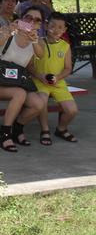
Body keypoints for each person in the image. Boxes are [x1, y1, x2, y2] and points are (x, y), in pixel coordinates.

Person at [0, 6, 47, 152]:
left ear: (40, 25)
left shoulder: (37, 41)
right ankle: (5, 134)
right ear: (21, 19)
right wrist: (7, 31)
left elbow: (40, 56)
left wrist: (34, 41)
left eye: (37, 20)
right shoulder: (8, 32)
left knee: (38, 103)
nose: (32, 22)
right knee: (19, 94)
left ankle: (17, 128)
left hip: (15, 81)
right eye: (28, 18)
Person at [30, 12, 79, 145]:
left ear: (64, 30)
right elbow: (29, 66)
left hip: (58, 82)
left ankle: (61, 129)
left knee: (72, 110)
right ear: (46, 26)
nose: (56, 29)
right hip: (40, 81)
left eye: (60, 27)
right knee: (43, 102)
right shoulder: (38, 42)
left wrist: (58, 77)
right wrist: (40, 76)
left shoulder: (65, 46)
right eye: (53, 26)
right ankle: (45, 130)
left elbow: (68, 68)